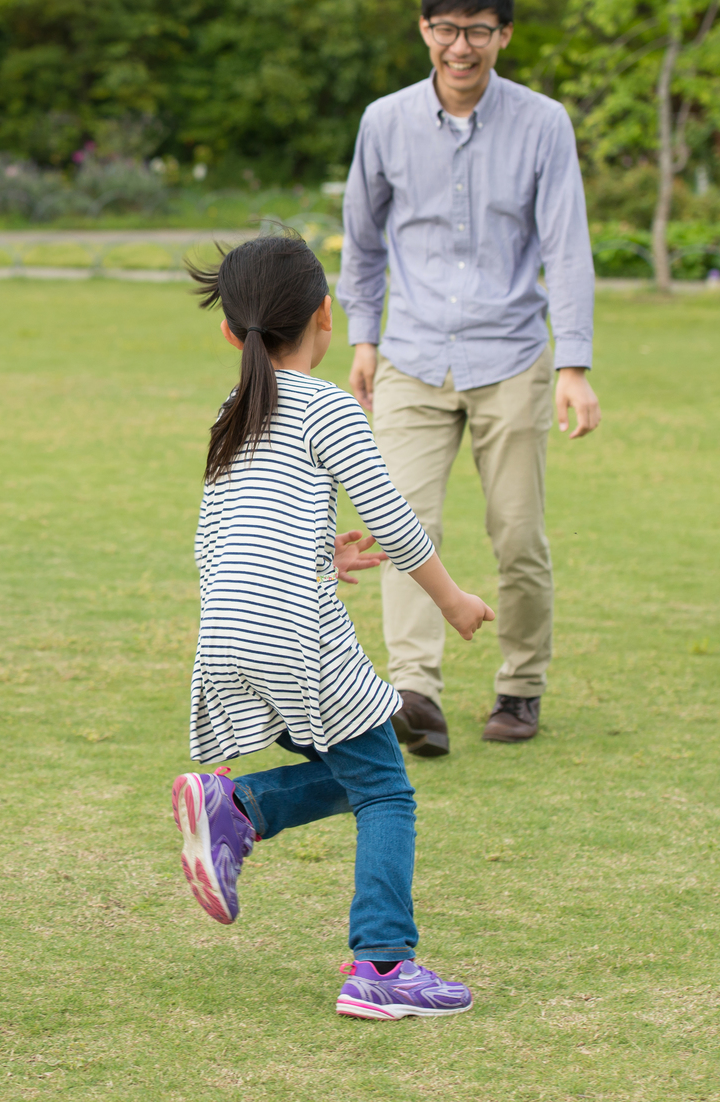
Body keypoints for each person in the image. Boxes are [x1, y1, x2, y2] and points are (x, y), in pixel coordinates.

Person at [170, 235, 494, 1020]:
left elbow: (219, 536)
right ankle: (382, 963)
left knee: (361, 770)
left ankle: (242, 810)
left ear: (230, 332)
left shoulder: (232, 412)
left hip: (228, 628)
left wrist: (318, 557)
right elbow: (392, 515)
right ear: (326, 313)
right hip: (296, 635)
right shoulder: (326, 404)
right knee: (387, 789)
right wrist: (450, 600)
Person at [338, 0, 601, 755]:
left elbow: (567, 244)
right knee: (400, 525)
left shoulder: (543, 122)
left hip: (510, 356)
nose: (462, 46)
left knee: (517, 534)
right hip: (411, 357)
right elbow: (362, 238)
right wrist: (362, 337)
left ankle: (520, 687)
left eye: (478, 31)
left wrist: (574, 365)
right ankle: (413, 692)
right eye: (447, 29)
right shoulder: (384, 121)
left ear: (503, 37)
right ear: (424, 31)